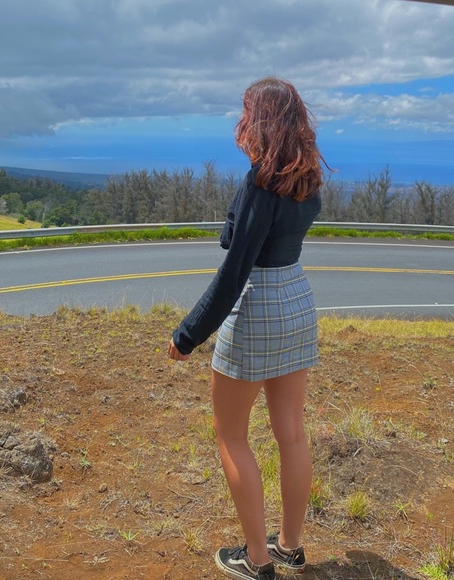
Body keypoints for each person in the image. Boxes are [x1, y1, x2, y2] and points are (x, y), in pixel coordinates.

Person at [168, 76, 328, 580]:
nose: (240, 121)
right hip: (297, 301)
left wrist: (187, 335)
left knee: (231, 436)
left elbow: (235, 271)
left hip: (258, 307)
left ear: (259, 121)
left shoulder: (262, 182)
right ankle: (289, 547)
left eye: (246, 112)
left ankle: (256, 560)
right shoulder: (307, 179)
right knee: (292, 435)